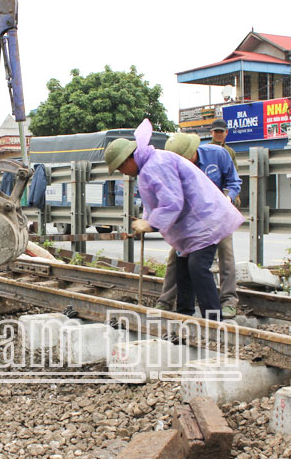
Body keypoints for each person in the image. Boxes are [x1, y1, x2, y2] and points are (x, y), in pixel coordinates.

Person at [104, 120, 244, 321]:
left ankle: (213, 320)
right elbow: (154, 201)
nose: (123, 173)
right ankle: (184, 314)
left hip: (204, 222)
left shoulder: (155, 165)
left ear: (128, 160)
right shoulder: (150, 165)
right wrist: (146, 220)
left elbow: (172, 201)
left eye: (120, 168)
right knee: (182, 267)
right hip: (191, 225)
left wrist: (151, 224)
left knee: (198, 267)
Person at [158, 133, 243, 317]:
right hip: (193, 219)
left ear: (192, 152)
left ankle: (228, 301)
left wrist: (228, 197)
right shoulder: (174, 167)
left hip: (218, 214)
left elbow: (234, 181)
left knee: (225, 254)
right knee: (177, 258)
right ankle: (166, 301)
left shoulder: (217, 154)